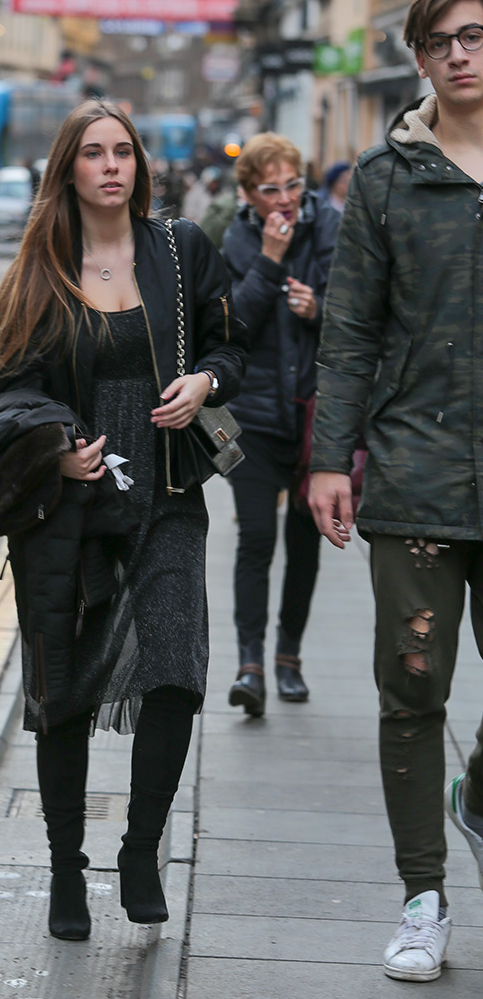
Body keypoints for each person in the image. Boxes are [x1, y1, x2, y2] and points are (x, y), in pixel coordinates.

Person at [0, 99, 247, 941]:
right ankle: (66, 868)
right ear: (68, 169)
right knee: (64, 690)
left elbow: (228, 344)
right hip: (73, 507)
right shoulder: (40, 270)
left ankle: (140, 846)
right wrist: (55, 450)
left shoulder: (179, 248)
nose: (111, 166)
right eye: (93, 153)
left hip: (169, 493)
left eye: (123, 152)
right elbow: (13, 390)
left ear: (139, 165)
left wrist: (205, 381)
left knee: (175, 667)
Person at [309, 0, 483, 982]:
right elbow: (348, 337)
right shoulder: (382, 177)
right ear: (419, 59)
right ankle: (423, 900)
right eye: (442, 42)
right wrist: (330, 458)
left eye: (475, 37)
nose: (462, 54)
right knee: (413, 690)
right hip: (416, 470)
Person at [221, 133, 340, 717]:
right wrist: (269, 260)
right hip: (252, 420)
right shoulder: (238, 237)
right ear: (249, 194)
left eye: (294, 185)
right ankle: (250, 663)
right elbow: (233, 325)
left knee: (304, 541)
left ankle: (289, 656)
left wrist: (318, 309)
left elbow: (359, 308)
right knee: (256, 541)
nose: (286, 199)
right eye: (271, 189)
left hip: (317, 418)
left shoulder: (331, 226)